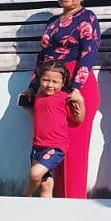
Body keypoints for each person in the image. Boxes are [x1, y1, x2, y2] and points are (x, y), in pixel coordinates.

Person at [19, 0, 101, 199]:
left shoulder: (87, 18)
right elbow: (43, 57)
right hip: (50, 90)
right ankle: (55, 208)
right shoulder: (53, 22)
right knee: (50, 148)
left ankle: (73, 207)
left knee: (73, 153)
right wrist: (33, 87)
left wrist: (76, 89)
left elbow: (89, 53)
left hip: (76, 88)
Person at [25, 62, 82, 198]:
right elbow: (37, 117)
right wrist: (29, 109)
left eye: (55, 82)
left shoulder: (64, 98)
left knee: (35, 174)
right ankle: (46, 209)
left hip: (56, 147)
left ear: (62, 83)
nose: (50, 85)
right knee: (46, 183)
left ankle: (25, 194)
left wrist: (80, 102)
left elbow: (78, 119)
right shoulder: (38, 97)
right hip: (37, 146)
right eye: (46, 80)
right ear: (40, 79)